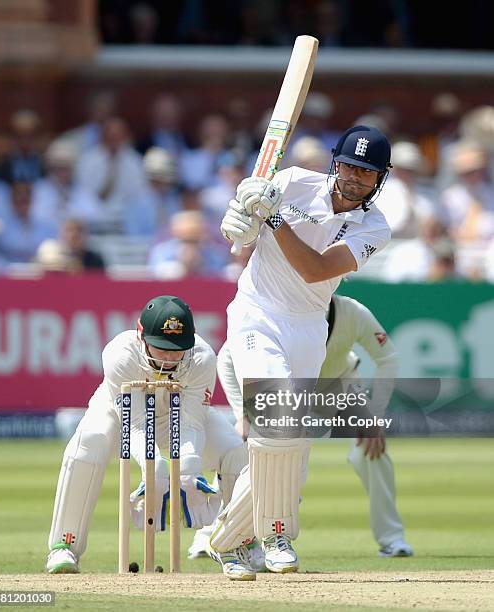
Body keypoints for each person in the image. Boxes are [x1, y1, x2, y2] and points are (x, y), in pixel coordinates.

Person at [209, 124, 393, 581]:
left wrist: (272, 220)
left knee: (294, 447)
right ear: (335, 162)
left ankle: (228, 539)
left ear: (380, 179)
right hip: (256, 313)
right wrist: (240, 217)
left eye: (366, 172)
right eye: (349, 165)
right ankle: (277, 535)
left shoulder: (376, 227)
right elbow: (241, 235)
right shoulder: (291, 181)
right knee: (278, 424)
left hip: (309, 327)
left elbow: (316, 271)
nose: (354, 177)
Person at [191, 295, 412, 563]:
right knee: (244, 449)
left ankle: (392, 539)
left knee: (371, 448)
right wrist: (242, 413)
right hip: (289, 393)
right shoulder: (276, 310)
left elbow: (387, 357)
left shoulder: (352, 312)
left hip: (338, 388)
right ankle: (207, 536)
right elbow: (227, 357)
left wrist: (374, 414)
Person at [46, 295, 246, 573]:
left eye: (177, 350)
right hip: (119, 416)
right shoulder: (119, 354)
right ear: (142, 337)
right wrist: (155, 467)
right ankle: (64, 545)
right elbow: (136, 424)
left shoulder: (201, 358)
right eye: (162, 350)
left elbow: (191, 424)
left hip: (174, 416)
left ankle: (237, 542)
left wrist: (187, 468)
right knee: (87, 443)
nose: (169, 360)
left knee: (236, 452)